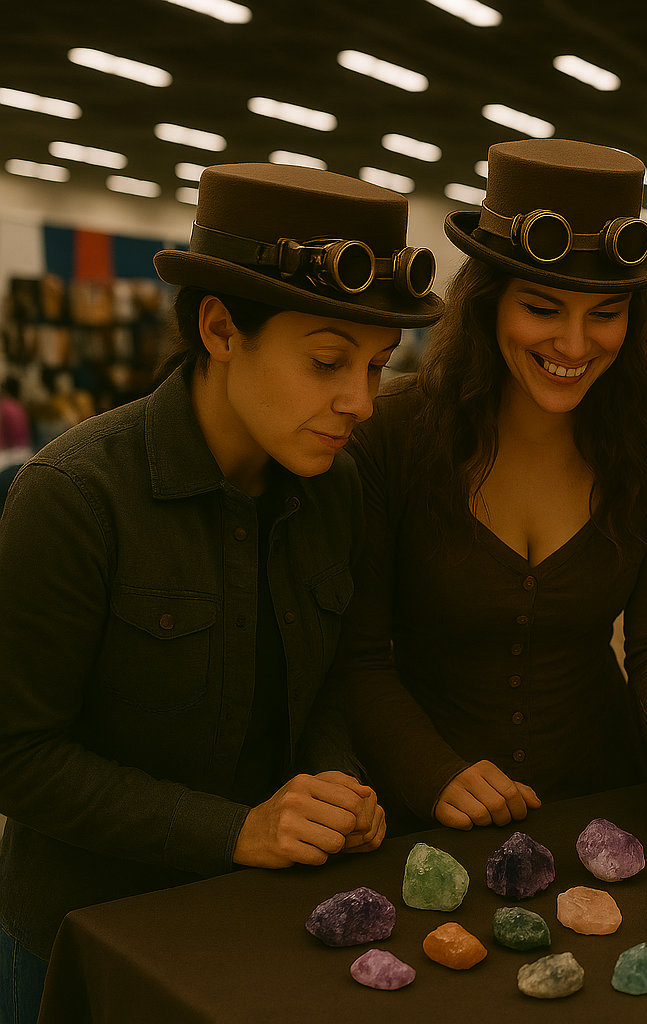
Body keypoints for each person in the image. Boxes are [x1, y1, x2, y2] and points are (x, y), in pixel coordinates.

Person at [0, 163, 438, 1023]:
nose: (362, 402)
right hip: (81, 949)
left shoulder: (336, 490)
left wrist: (333, 785)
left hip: (257, 931)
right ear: (220, 328)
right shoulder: (77, 496)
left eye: (379, 366)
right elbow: (16, 756)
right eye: (326, 361)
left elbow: (325, 681)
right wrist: (234, 830)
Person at [342, 139, 647, 877]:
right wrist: (432, 772)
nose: (574, 344)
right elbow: (357, 659)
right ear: (487, 305)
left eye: (606, 314)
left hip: (604, 807)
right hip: (428, 822)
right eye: (543, 309)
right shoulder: (393, 435)